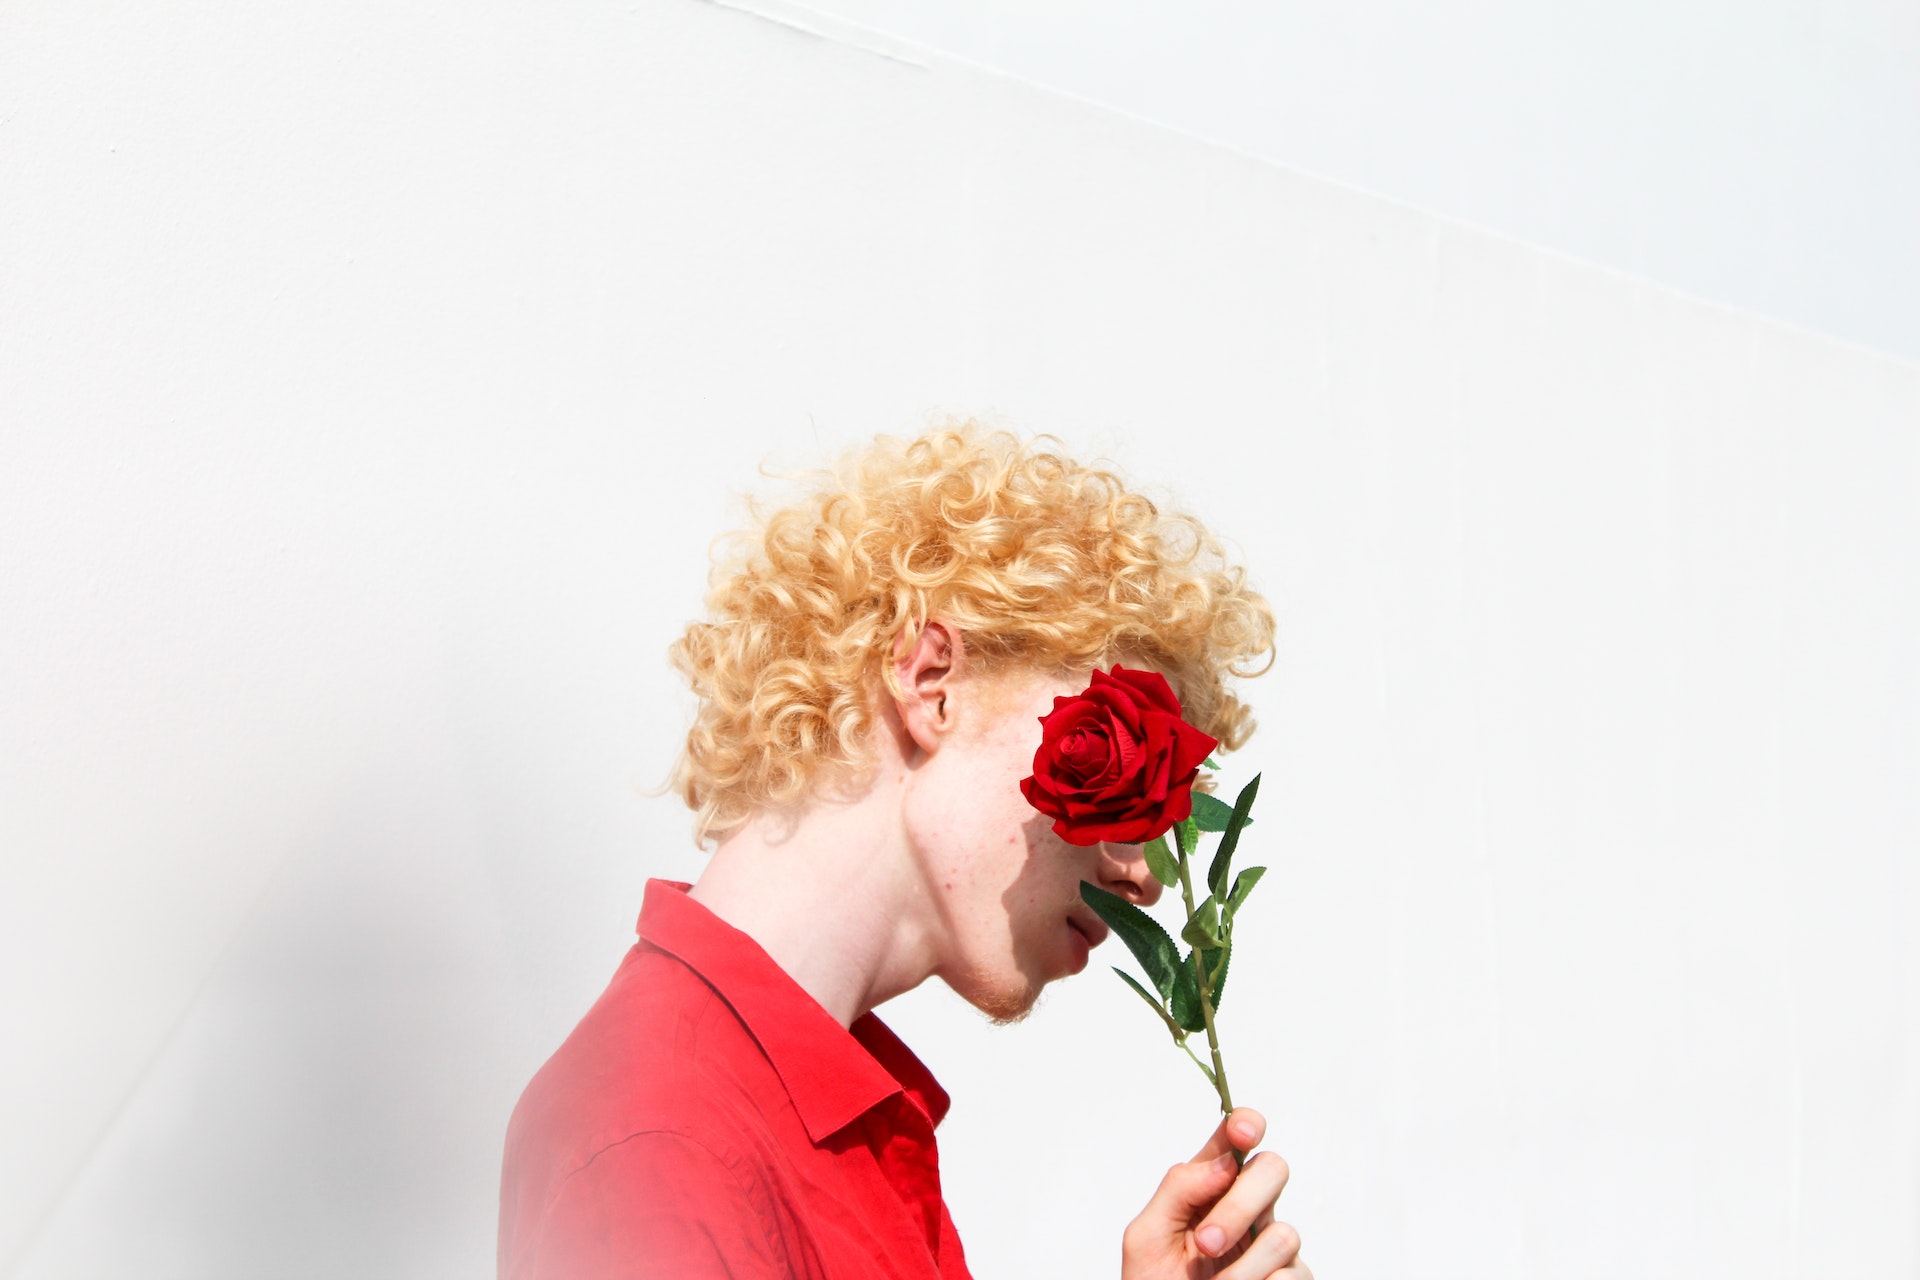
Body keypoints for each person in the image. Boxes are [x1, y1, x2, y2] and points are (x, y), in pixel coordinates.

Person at [497, 422, 1311, 1278]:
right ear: (931, 685)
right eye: (1125, 773)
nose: (1146, 875)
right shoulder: (660, 1138)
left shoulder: (828, 1122)